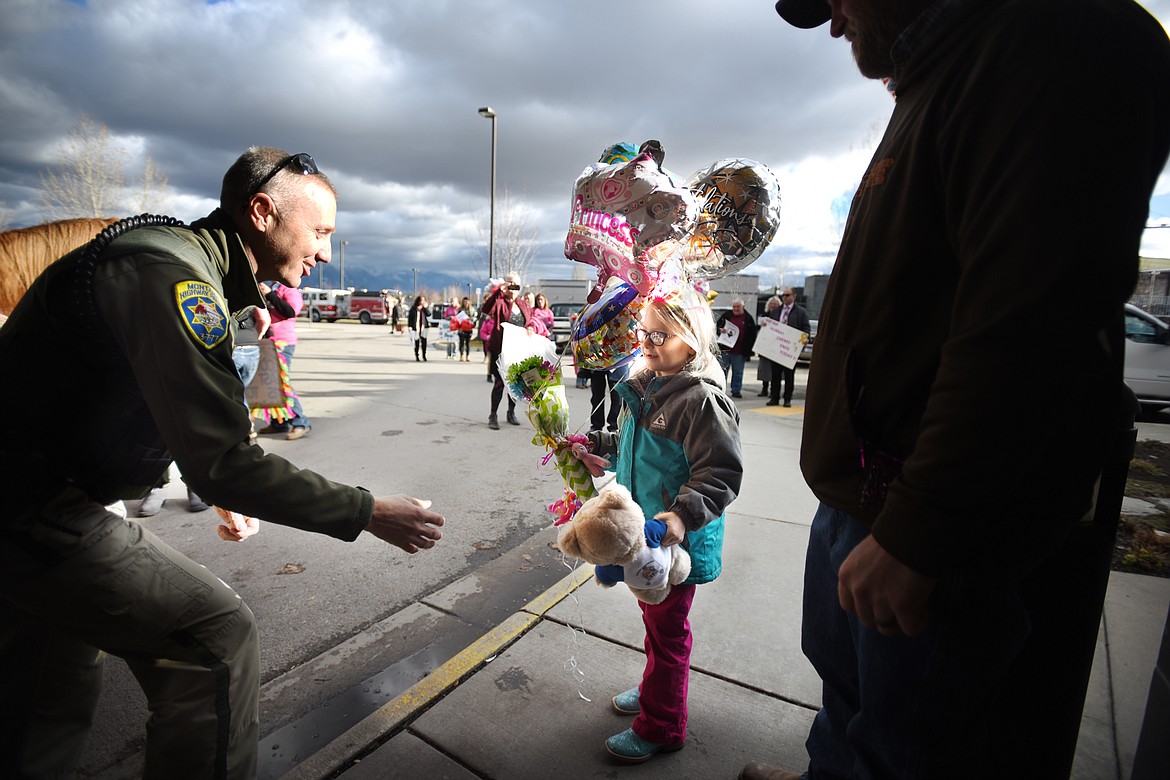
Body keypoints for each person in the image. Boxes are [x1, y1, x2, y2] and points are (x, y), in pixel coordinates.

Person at [740, 2, 1170, 780]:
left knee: (909, 750)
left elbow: (1033, 324)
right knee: (854, 712)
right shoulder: (940, 74)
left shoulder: (1051, 38)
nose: (833, 24)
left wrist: (921, 530)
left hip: (929, 537)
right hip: (870, 506)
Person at [0, 146, 446, 779]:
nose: (324, 251)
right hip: (36, 503)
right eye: (319, 232)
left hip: (32, 495)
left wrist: (218, 477)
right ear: (261, 212)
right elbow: (222, 458)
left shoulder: (191, 269)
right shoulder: (175, 279)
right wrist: (369, 511)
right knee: (216, 639)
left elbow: (149, 410)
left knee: (47, 696)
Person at [576, 282, 742, 763]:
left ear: (690, 339)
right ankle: (655, 688)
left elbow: (721, 473)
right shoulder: (647, 384)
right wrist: (600, 445)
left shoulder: (700, 401)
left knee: (668, 632)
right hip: (643, 538)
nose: (645, 344)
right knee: (655, 621)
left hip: (674, 541)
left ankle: (663, 723)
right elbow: (632, 442)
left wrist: (681, 516)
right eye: (643, 333)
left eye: (658, 337)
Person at [480, 270, 534, 430]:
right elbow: (486, 309)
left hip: (518, 351)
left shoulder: (523, 303)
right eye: (510, 284)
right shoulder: (499, 301)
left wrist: (530, 327)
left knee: (515, 385)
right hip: (501, 349)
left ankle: (511, 412)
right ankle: (493, 414)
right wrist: (498, 292)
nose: (513, 288)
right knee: (499, 384)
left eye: (516, 285)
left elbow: (530, 320)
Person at [257, 280, 311, 440]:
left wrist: (269, 295)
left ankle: (301, 423)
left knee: (281, 383)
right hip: (269, 341)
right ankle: (279, 423)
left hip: (283, 342)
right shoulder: (275, 288)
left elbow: (290, 311)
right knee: (271, 384)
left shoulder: (289, 290)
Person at [767, 288, 810, 408]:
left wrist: (805, 338)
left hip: (790, 350)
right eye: (783, 295)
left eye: (787, 295)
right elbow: (770, 325)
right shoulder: (776, 311)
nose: (784, 297)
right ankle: (774, 397)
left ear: (794, 296)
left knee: (789, 376)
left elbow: (806, 329)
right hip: (776, 348)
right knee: (775, 375)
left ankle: (787, 399)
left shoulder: (801, 312)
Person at [715, 298, 756, 398]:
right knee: (722, 371)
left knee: (738, 372)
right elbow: (717, 327)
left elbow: (752, 335)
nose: (736, 309)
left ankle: (736, 390)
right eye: (734, 307)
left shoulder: (748, 318)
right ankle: (720, 389)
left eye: (738, 307)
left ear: (743, 307)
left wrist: (749, 350)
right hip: (725, 349)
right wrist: (720, 330)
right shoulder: (727, 315)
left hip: (740, 351)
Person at [589, 362, 629, 433]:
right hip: (598, 360)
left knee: (618, 398)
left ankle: (615, 426)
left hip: (619, 360)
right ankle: (596, 426)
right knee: (596, 396)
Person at [755, 295, 782, 398]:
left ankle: (773, 390)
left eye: (775, 304)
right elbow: (757, 330)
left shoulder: (781, 316)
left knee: (774, 371)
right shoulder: (763, 316)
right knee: (764, 369)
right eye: (771, 304)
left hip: (776, 347)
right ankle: (764, 388)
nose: (773, 306)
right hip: (764, 347)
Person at [407, 294, 430, 361]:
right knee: (416, 342)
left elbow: (428, 314)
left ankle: (424, 355)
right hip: (415, 327)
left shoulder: (424, 309)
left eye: (423, 300)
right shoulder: (413, 309)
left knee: (424, 342)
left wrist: (425, 308)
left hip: (423, 327)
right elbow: (410, 318)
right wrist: (409, 326)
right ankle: (417, 355)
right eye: (421, 300)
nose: (422, 301)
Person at [452, 296, 476, 362]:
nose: (465, 303)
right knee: (461, 343)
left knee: (468, 343)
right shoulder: (460, 309)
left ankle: (468, 356)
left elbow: (475, 317)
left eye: (467, 301)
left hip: (469, 328)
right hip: (461, 328)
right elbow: (457, 318)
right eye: (464, 302)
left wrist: (470, 319)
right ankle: (461, 355)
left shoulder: (472, 309)